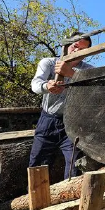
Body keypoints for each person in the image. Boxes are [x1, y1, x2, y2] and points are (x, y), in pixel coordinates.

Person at [29, 32, 93, 179]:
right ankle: (37, 199)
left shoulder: (89, 71)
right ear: (66, 46)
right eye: (75, 46)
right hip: (48, 120)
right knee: (38, 164)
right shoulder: (49, 63)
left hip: (74, 123)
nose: (77, 51)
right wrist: (47, 86)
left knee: (75, 166)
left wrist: (70, 73)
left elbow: (95, 89)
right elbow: (35, 84)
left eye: (83, 50)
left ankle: (72, 198)